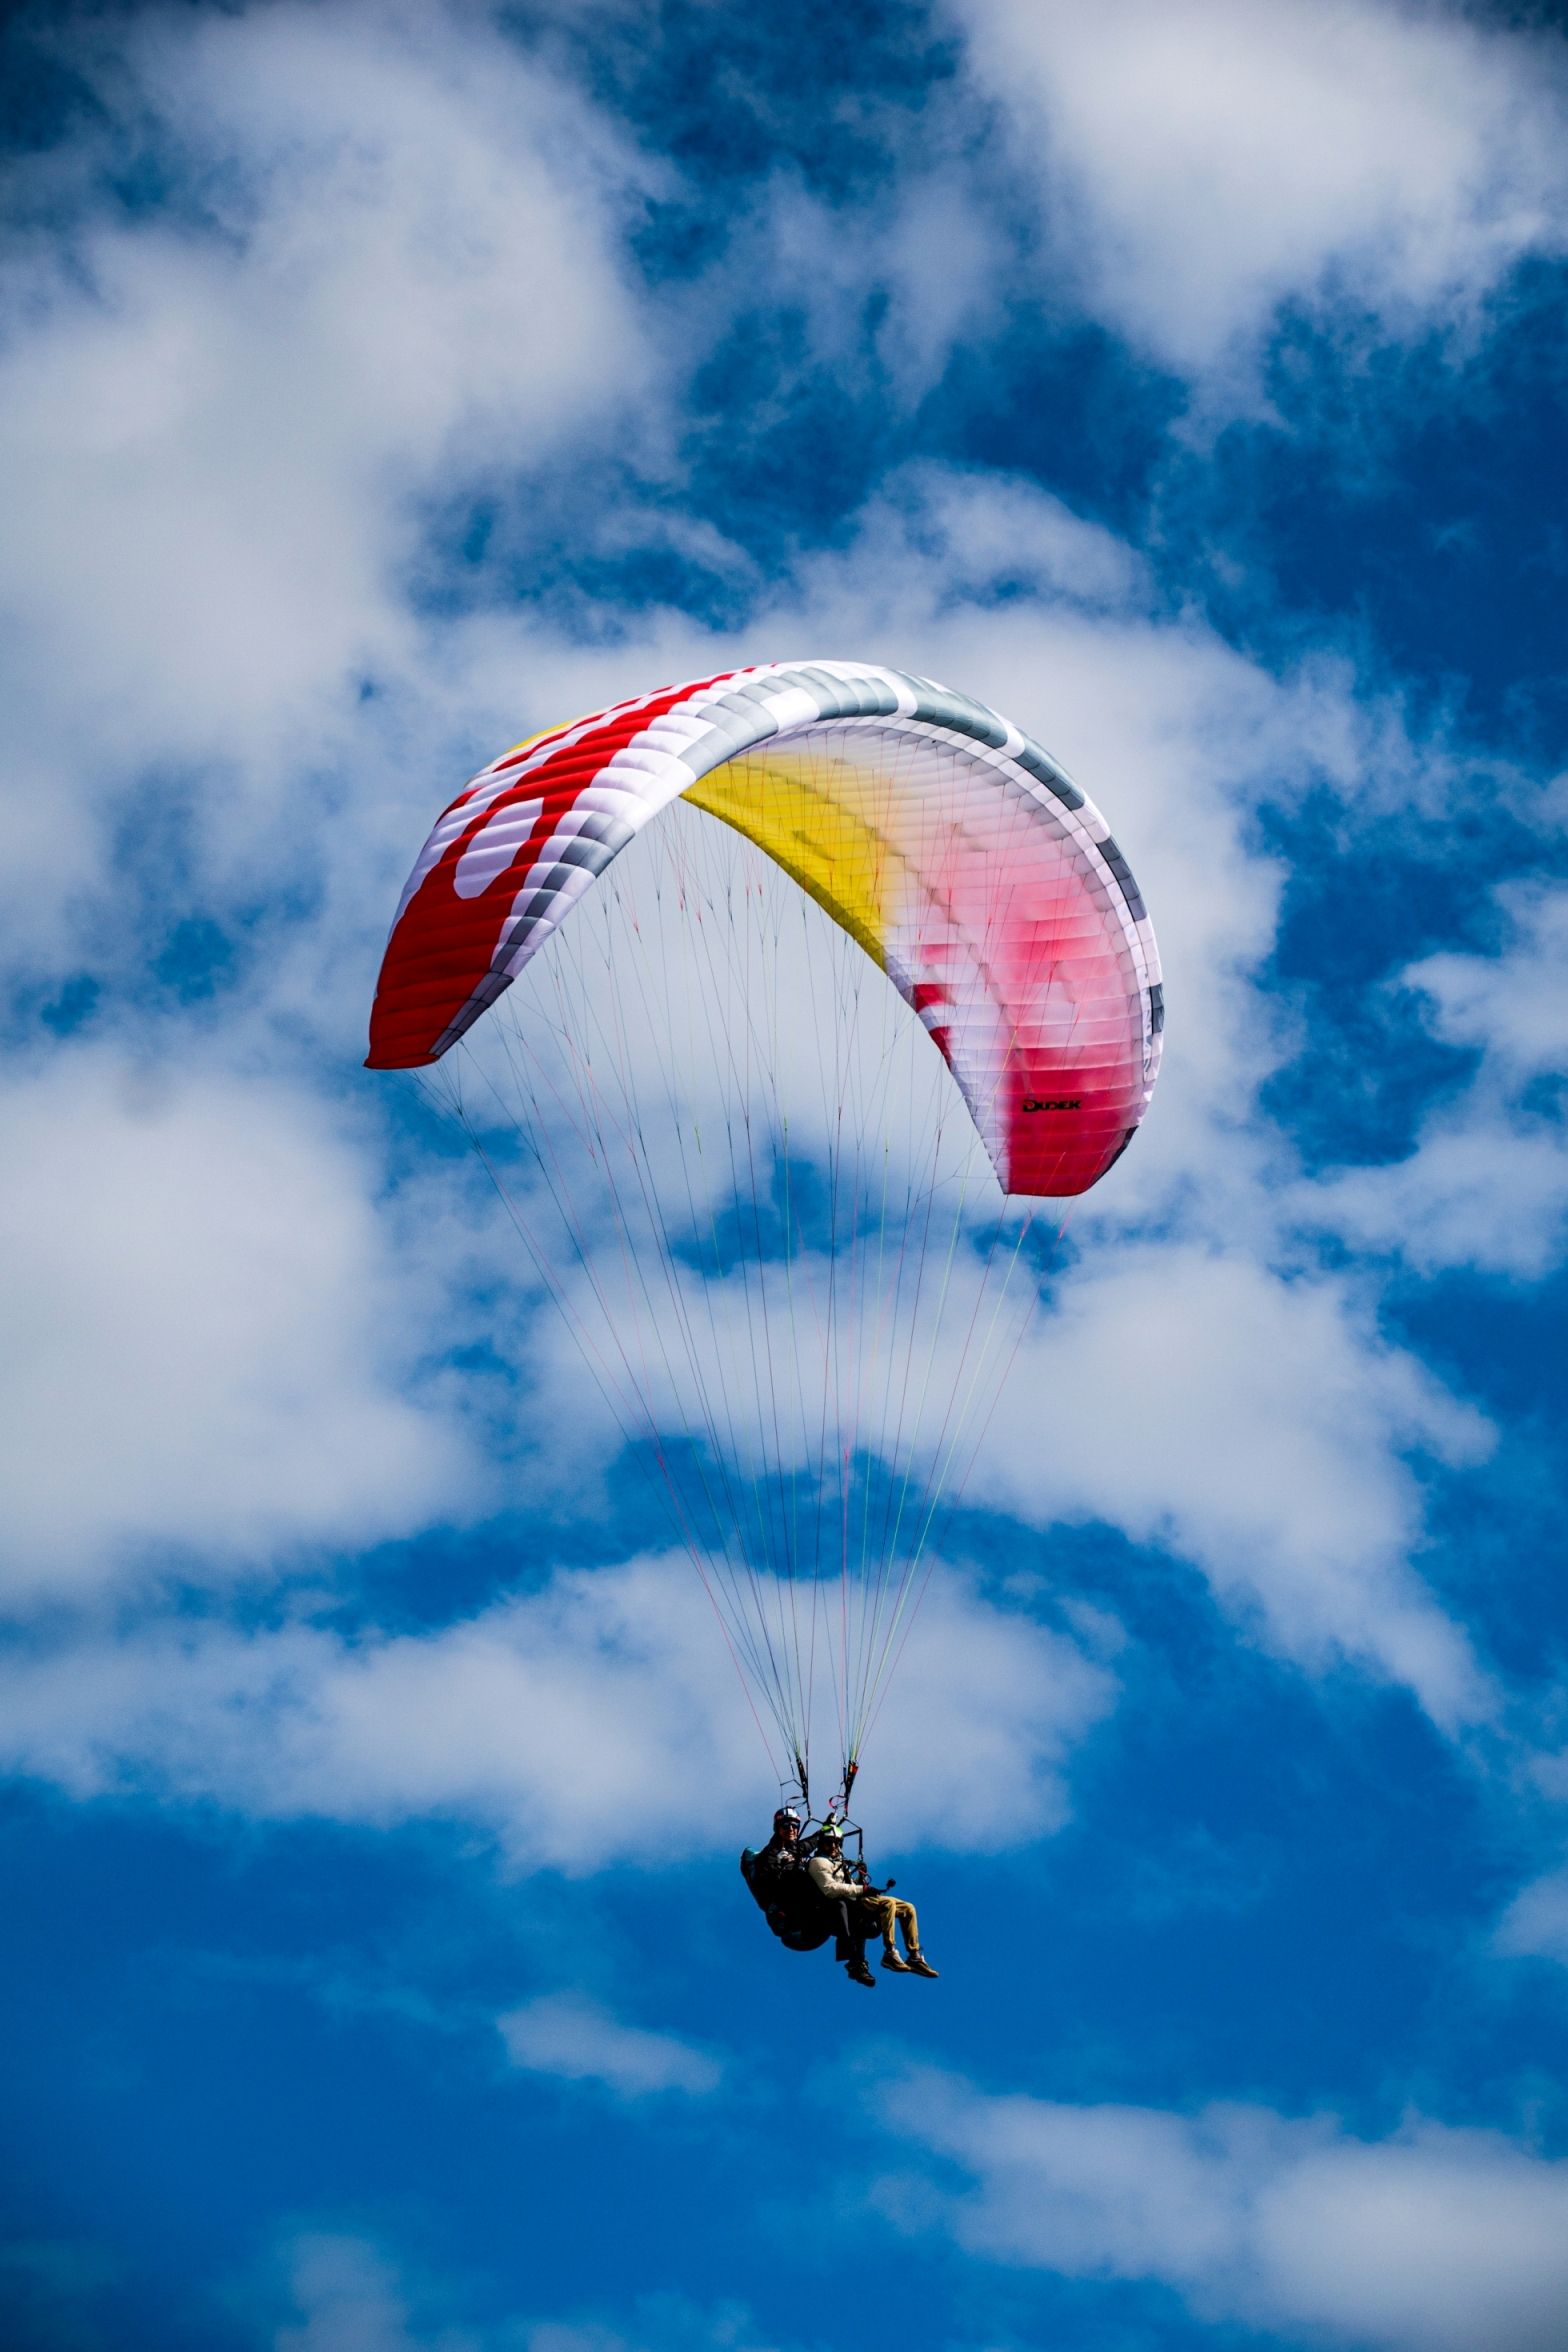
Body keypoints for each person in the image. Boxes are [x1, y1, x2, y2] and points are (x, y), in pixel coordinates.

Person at [807, 1824, 938, 1978]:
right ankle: (890, 1953)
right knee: (887, 1904)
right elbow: (830, 1889)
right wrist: (863, 1889)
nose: (834, 1846)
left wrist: (860, 1877)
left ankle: (914, 1955)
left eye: (837, 1843)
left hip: (857, 1898)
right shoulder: (818, 1862)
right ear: (821, 1844)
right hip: (848, 1904)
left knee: (908, 1908)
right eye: (829, 1843)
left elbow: (850, 1884)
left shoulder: (839, 1863)